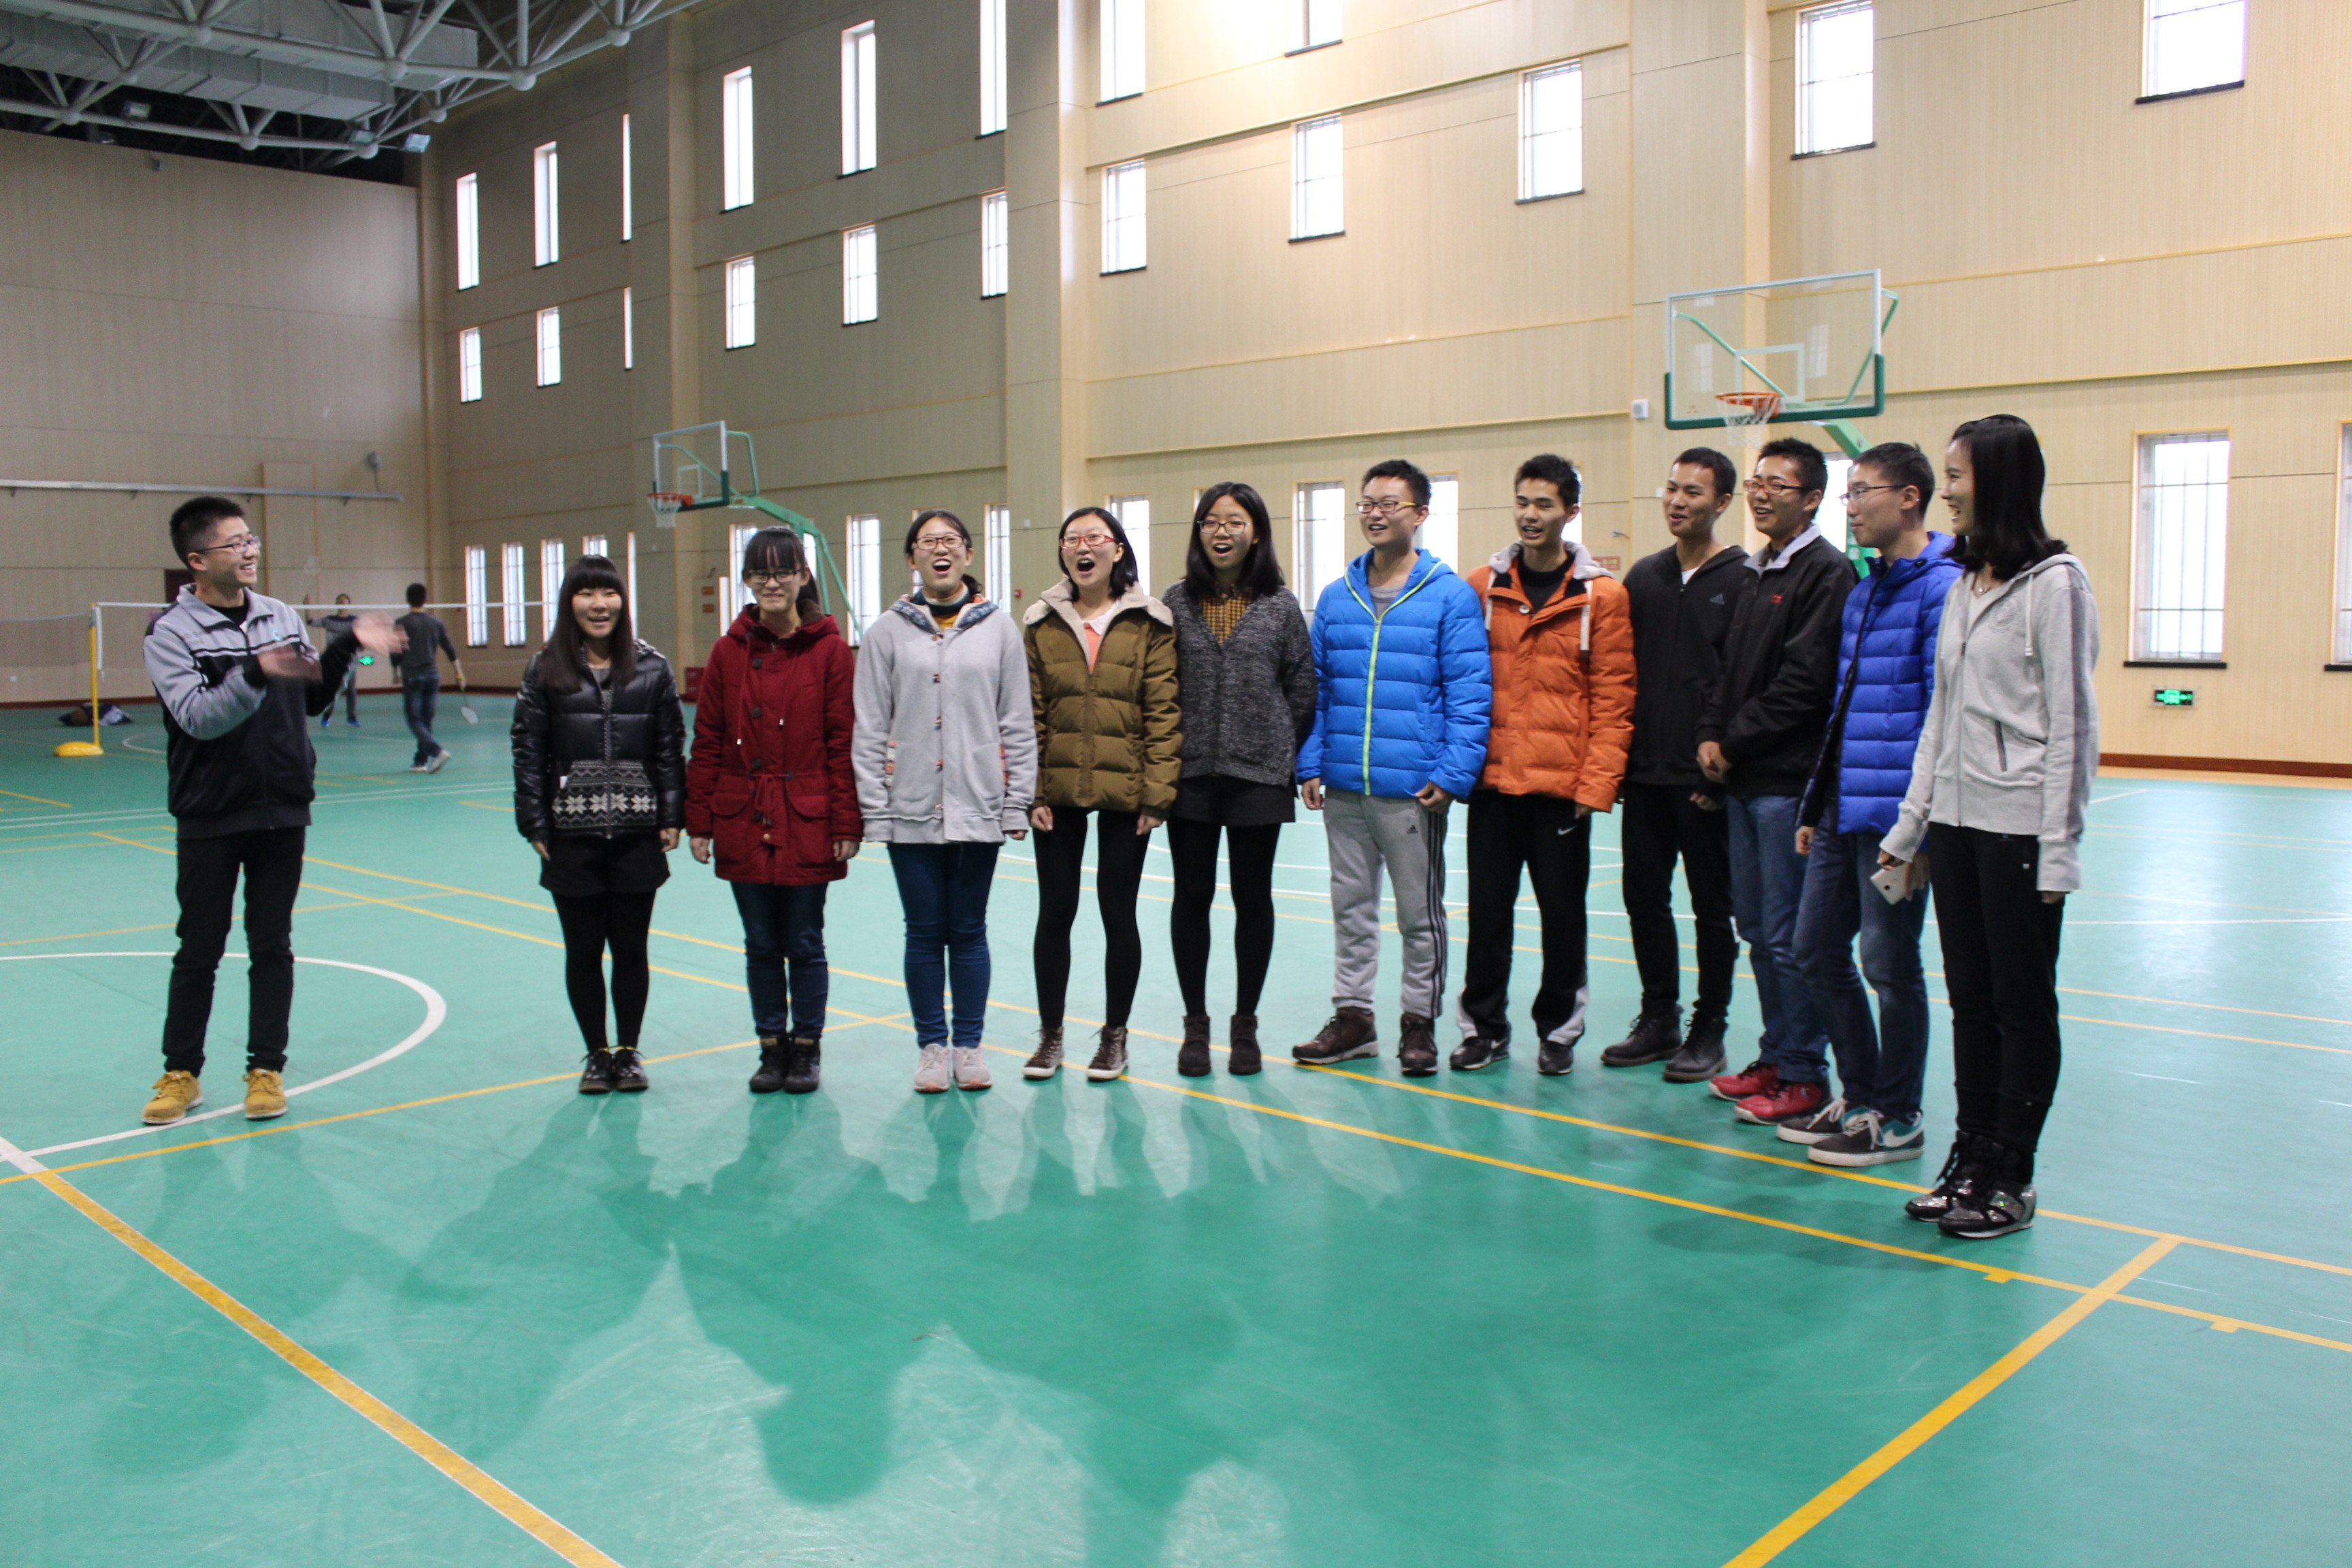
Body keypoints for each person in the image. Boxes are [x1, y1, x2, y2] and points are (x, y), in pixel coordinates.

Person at [1879, 414, 2098, 1239]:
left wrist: (2059, 853)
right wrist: (1911, 826)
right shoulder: (1964, 584)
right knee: (1971, 1000)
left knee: (2020, 1005)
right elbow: (1941, 718)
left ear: (1999, 481)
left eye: (1957, 475)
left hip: (2019, 832)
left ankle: (2013, 1173)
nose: (1948, 491)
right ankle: (1970, 1158)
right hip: (1958, 826)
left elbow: (2072, 726)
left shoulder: (2057, 584)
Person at [140, 497, 402, 1126]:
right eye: (234, 543)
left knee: (272, 945)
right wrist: (256, 671)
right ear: (197, 561)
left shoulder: (281, 616)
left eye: (251, 539)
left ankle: (266, 1069)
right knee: (199, 948)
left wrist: (347, 645)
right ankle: (181, 1072)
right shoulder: (169, 633)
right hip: (211, 811)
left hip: (282, 807)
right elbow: (200, 718)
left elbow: (310, 698)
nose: (250, 550)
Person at [1781, 443, 1960, 1167]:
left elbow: (1940, 715)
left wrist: (1917, 828)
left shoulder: (1942, 590)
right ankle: (1860, 1098)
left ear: (1910, 497)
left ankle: (1900, 1114)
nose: (1849, 507)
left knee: (1889, 966)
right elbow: (1844, 710)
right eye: (1847, 495)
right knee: (1814, 950)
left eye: (1861, 492)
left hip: (1896, 821)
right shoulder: (1864, 592)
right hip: (1840, 809)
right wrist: (1815, 804)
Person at [1293, 459, 1492, 1076]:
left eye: (1389, 503)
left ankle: (1418, 1024)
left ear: (1421, 514)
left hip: (1413, 789)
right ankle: (1353, 1019)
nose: (1375, 513)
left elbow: (1470, 694)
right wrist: (1311, 761)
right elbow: (1317, 690)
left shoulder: (1449, 596)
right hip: (1344, 785)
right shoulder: (1337, 597)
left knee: (1418, 916)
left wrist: (1453, 773)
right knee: (1351, 910)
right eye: (1367, 503)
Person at [1693, 438, 1857, 1126]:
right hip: (1743, 782)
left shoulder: (1827, 573)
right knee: (1758, 930)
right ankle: (1776, 1055)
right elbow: (1726, 669)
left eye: (1777, 485)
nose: (1761, 493)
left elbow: (1804, 686)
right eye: (1757, 481)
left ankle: (1804, 1074)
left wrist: (1732, 743)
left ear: (1812, 499)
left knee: (1790, 937)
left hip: (1786, 785)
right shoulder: (1758, 570)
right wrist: (1710, 737)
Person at [1453, 455, 1635, 1075]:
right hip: (1493, 786)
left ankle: (1558, 1030)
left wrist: (1596, 785)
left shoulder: (1602, 597)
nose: (1530, 515)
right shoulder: (1482, 586)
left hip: (1562, 792)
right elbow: (1461, 683)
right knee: (1487, 917)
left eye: (1545, 505)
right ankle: (1483, 1029)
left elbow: (1614, 698)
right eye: (1523, 502)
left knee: (1563, 919)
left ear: (1571, 512)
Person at [853, 510, 1036, 1094]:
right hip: (909, 807)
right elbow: (868, 726)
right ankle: (932, 1047)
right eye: (928, 542)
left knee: (970, 930)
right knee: (924, 932)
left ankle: (969, 1047)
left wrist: (1016, 801)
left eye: (951, 541)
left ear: (968, 554)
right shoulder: (885, 633)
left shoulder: (1000, 630)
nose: (940, 550)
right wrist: (875, 809)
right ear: (911, 558)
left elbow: (1017, 723)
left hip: (978, 803)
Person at [685, 527, 860, 1096]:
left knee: (804, 941)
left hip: (807, 815)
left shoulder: (831, 651)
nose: (772, 582)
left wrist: (846, 821)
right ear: (747, 581)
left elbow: (843, 742)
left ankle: (806, 1048)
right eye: (760, 572)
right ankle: (770, 1048)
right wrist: (699, 820)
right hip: (743, 815)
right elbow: (708, 740)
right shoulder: (727, 652)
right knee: (760, 942)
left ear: (804, 576)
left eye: (783, 571)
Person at [510, 555, 687, 1094]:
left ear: (621, 602)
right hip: (571, 838)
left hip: (637, 835)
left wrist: (672, 814)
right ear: (570, 603)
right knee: (583, 952)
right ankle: (596, 1054)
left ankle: (629, 1053)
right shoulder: (545, 669)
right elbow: (528, 749)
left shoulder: (653, 668)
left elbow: (669, 747)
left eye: (608, 593)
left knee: (632, 951)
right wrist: (534, 821)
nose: (598, 604)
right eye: (586, 593)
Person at [1599, 450, 1747, 1083]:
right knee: (1644, 900)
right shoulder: (1645, 577)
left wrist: (1722, 766)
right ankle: (1659, 1017)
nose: (1678, 501)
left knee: (1712, 908)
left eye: (1693, 491)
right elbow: (1620, 672)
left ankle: (1709, 1027)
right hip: (1644, 775)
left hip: (1704, 779)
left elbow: (1739, 681)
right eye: (1672, 488)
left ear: (1722, 503)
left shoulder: (1743, 579)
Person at [1021, 506, 1182, 1084]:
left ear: (1117, 549)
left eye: (1094, 537)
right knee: (1054, 913)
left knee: (1119, 914)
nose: (1082, 547)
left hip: (1126, 790)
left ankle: (1115, 1037)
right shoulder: (1041, 621)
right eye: (1072, 539)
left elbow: (1163, 712)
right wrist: (1032, 790)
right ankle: (1050, 1036)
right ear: (1063, 551)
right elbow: (1029, 712)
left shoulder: (1150, 621)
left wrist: (1156, 795)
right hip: (1057, 791)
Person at [1161, 482, 1316, 1077]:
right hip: (1190, 775)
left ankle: (1245, 1025)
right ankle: (1194, 1026)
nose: (1221, 532)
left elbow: (1301, 687)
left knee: (1253, 900)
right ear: (1198, 532)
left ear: (1256, 533)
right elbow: (1159, 687)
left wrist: (1273, 745)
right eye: (1210, 521)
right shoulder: (1174, 603)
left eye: (1235, 521)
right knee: (1191, 899)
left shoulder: (1280, 605)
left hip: (1259, 777)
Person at [393, 582, 466, 773]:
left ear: (407, 600)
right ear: (426, 599)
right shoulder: (436, 622)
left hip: (413, 677)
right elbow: (450, 649)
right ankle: (421, 761)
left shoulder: (401, 623)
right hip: (433, 677)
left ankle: (437, 751)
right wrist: (458, 673)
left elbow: (396, 652)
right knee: (426, 721)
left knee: (414, 720)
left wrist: (395, 673)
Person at [312, 593, 361, 727]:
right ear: (336, 604)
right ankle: (327, 716)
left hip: (350, 662)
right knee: (332, 690)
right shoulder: (329, 620)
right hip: (333, 663)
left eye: (344, 601)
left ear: (349, 604)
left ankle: (352, 718)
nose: (342, 603)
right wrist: (307, 607)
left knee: (351, 690)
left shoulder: (355, 621)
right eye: (339, 601)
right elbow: (310, 622)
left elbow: (362, 636)